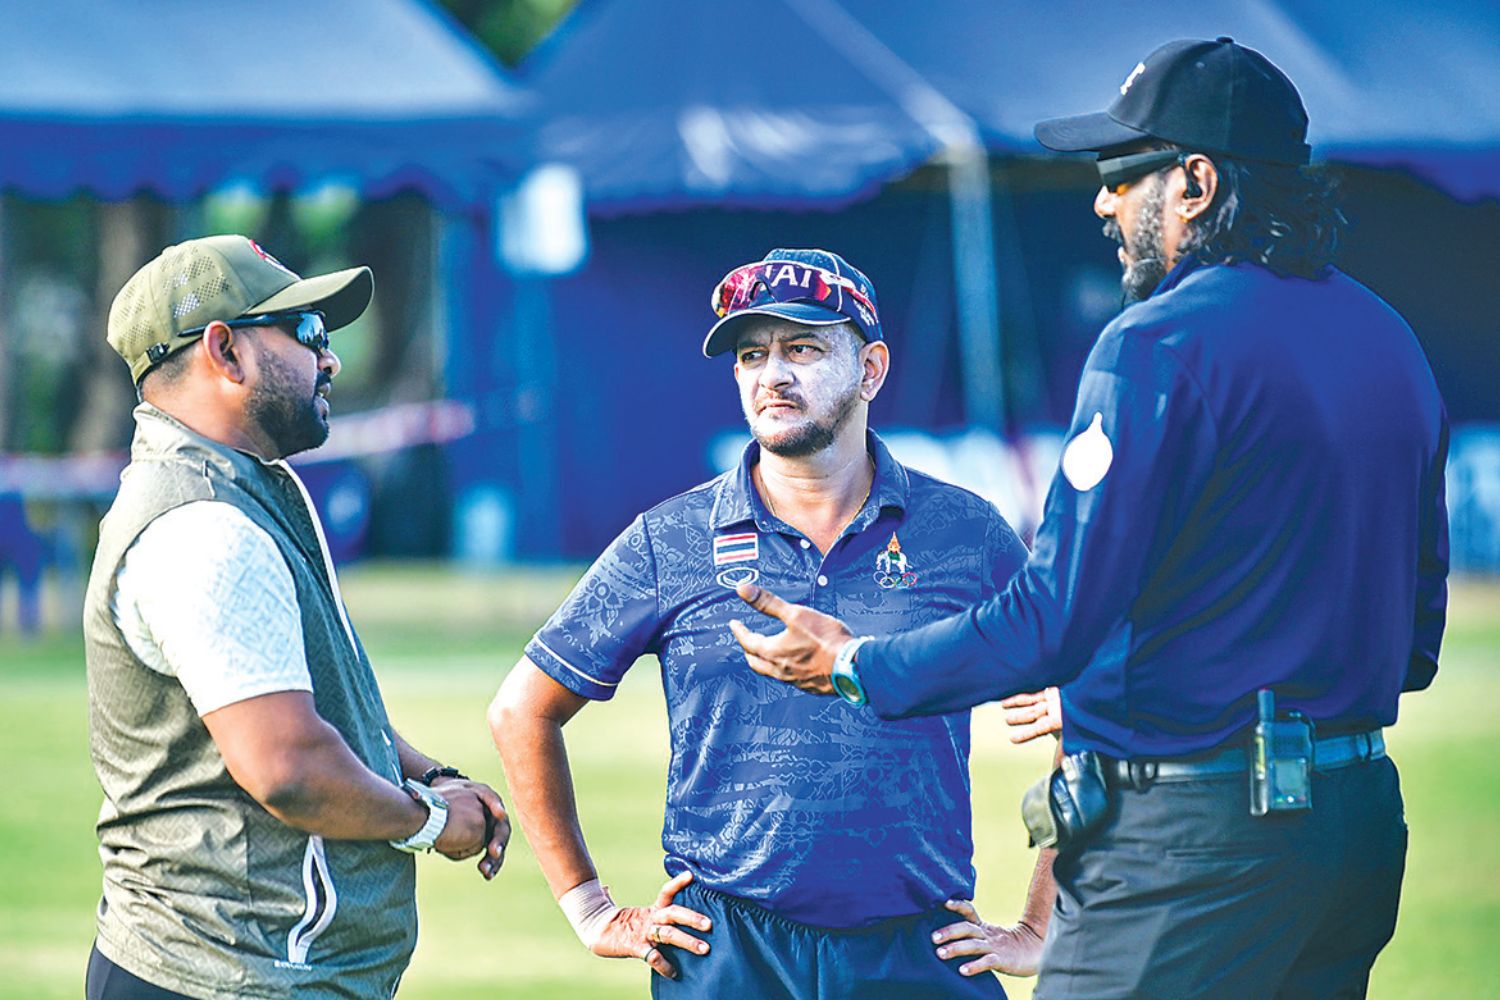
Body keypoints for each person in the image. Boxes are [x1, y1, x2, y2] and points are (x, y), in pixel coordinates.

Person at [729, 38, 1448, 1000]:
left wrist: (855, 664)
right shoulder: (1387, 338)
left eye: (1121, 175)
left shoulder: (1157, 342)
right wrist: (1160, 686)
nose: (1104, 204)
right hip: (1354, 831)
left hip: (1195, 846)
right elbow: (1412, 647)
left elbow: (1052, 619)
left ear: (1195, 183)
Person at [489, 248, 1051, 998]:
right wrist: (589, 907)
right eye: (752, 355)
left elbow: (1091, 704)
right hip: (727, 950)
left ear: (871, 370)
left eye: (803, 349)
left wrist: (1041, 923)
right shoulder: (671, 537)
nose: (771, 375)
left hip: (916, 949)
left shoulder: (967, 532)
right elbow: (521, 711)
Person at [83, 235, 510, 999]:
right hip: (227, 977)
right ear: (225, 351)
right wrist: (432, 820)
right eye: (308, 332)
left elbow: (317, 710)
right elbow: (289, 767)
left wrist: (432, 775)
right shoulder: (203, 526)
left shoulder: (244, 488)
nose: (331, 358)